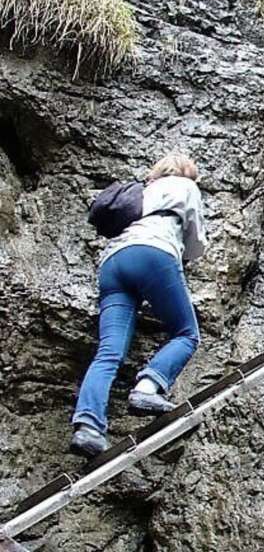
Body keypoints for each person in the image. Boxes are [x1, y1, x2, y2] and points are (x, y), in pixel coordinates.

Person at [71, 154, 208, 457]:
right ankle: (148, 389)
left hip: (112, 263)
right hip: (153, 254)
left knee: (108, 351)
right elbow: (196, 244)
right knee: (187, 334)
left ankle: (88, 427)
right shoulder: (185, 187)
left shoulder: (142, 192)